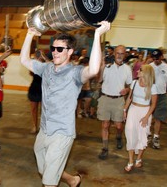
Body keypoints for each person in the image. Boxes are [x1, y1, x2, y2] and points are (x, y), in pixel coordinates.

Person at [20, 21, 111, 187]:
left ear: (70, 51)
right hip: (45, 130)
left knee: (48, 181)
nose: (55, 52)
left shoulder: (75, 73)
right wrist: (29, 34)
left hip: (62, 133)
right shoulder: (46, 69)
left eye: (59, 49)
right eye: (53, 49)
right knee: (44, 169)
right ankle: (72, 180)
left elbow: (93, 70)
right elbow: (24, 60)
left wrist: (97, 35)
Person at [97, 45, 133, 160]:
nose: (119, 56)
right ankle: (105, 148)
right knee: (105, 124)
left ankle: (118, 136)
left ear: (125, 55)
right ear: (114, 53)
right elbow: (99, 80)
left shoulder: (127, 68)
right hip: (105, 98)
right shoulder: (107, 66)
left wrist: (126, 90)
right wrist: (102, 66)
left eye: (122, 54)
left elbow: (130, 85)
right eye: (117, 53)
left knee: (118, 125)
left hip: (119, 100)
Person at [123, 64, 157, 172]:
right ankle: (130, 161)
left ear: (146, 73)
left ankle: (138, 159)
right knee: (130, 133)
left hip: (145, 111)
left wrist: (147, 117)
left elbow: (153, 104)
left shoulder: (152, 86)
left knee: (142, 135)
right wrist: (125, 110)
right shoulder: (134, 83)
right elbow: (129, 98)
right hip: (133, 109)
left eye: (140, 70)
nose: (137, 71)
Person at [149, 49, 167, 149]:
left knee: (159, 117)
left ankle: (156, 137)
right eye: (154, 58)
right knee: (147, 116)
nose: (156, 60)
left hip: (161, 96)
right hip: (149, 95)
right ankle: (147, 134)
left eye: (157, 58)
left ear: (161, 57)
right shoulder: (149, 67)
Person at [28, 49, 48, 134]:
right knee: (34, 108)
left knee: (44, 110)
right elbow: (31, 72)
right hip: (35, 87)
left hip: (44, 88)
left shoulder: (46, 64)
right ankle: (34, 126)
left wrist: (44, 57)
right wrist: (36, 60)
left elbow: (51, 66)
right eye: (38, 54)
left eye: (41, 54)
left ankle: (43, 127)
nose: (39, 55)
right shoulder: (34, 63)